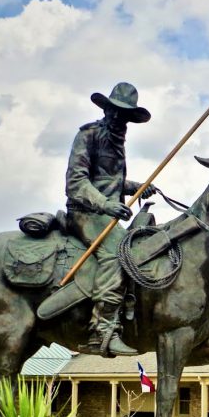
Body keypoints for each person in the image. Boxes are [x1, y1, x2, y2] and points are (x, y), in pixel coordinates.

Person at [65, 82, 151, 356]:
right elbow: (76, 182)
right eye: (114, 112)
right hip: (85, 213)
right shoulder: (88, 135)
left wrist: (135, 186)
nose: (118, 118)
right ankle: (102, 331)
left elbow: (108, 180)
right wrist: (105, 205)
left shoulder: (118, 141)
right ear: (106, 109)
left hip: (108, 214)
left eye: (124, 115)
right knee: (116, 253)